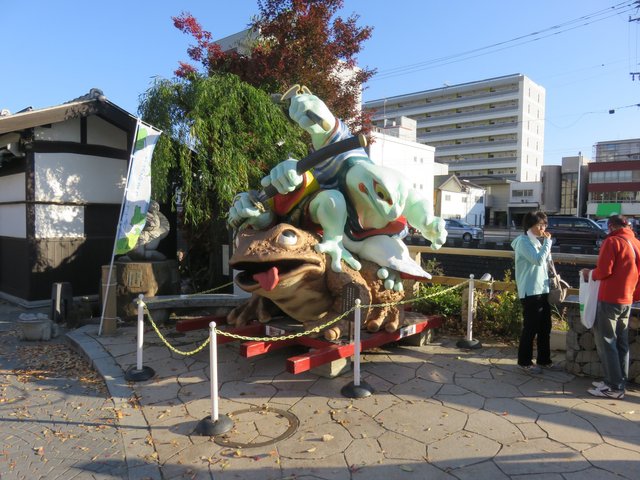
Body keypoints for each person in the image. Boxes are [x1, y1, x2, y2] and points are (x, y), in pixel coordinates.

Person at [580, 214, 640, 399]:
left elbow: (604, 270)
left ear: (612, 226)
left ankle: (613, 387)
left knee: (606, 342)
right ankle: (617, 380)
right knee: (621, 342)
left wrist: (590, 273)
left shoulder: (612, 241)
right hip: (627, 298)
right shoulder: (636, 243)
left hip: (609, 298)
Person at [511, 211, 553, 374]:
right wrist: (548, 243)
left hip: (542, 289)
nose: (543, 228)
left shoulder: (536, 241)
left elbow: (545, 262)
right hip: (530, 290)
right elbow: (537, 260)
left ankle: (544, 359)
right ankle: (524, 360)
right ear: (530, 226)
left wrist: (545, 245)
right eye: (540, 225)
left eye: (544, 225)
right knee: (530, 327)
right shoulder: (523, 242)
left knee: (545, 327)